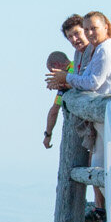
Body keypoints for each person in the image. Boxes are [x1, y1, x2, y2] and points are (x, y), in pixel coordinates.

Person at [43, 20, 89, 151]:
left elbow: (54, 111)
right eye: (70, 36)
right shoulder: (77, 58)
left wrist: (48, 134)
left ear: (57, 66)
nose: (52, 75)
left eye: (52, 72)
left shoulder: (72, 70)